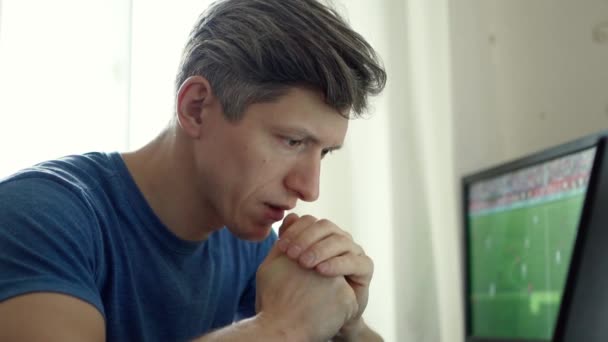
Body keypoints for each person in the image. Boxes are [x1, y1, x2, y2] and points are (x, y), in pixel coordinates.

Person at [0, 0, 387, 340]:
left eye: (324, 153)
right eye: (292, 141)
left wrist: (348, 324)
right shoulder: (38, 218)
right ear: (196, 108)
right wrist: (281, 329)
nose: (309, 188)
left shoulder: (252, 250)